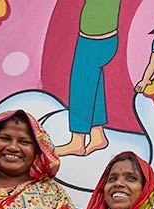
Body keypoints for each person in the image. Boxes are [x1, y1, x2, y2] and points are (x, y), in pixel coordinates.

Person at [55, 0, 120, 157]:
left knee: (81, 87)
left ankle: (77, 141)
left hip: (96, 40)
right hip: (98, 38)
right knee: (94, 86)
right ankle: (98, 134)